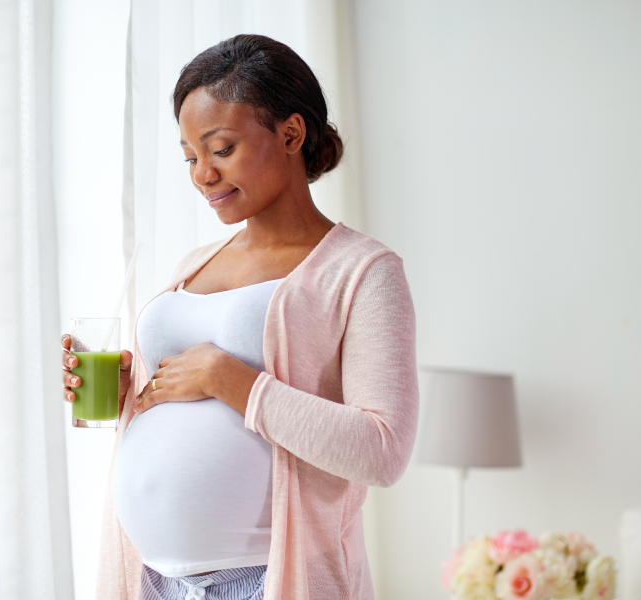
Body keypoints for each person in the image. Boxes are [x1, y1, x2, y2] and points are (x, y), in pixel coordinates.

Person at [62, 34, 419, 600]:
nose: (201, 174)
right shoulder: (193, 265)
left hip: (267, 581)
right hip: (154, 579)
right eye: (189, 156)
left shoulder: (362, 271)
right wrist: (129, 391)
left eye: (220, 149)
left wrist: (231, 381)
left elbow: (382, 450)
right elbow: (178, 402)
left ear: (291, 134)